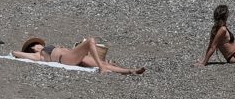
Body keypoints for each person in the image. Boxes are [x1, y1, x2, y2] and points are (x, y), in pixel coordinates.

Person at [12, 36, 144, 74]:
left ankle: (130, 70)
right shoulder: (38, 55)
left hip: (70, 56)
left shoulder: (43, 50)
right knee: (90, 41)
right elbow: (15, 53)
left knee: (104, 62)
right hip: (65, 59)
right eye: (35, 44)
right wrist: (18, 53)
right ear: (33, 48)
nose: (38, 44)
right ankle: (102, 68)